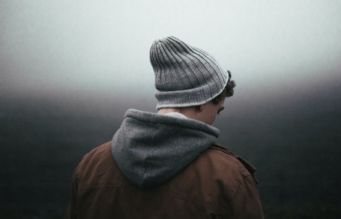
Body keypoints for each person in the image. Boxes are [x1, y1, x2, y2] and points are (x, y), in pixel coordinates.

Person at [67, 36, 264, 219]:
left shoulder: (90, 166)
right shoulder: (229, 176)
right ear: (201, 100)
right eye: (218, 110)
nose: (215, 118)